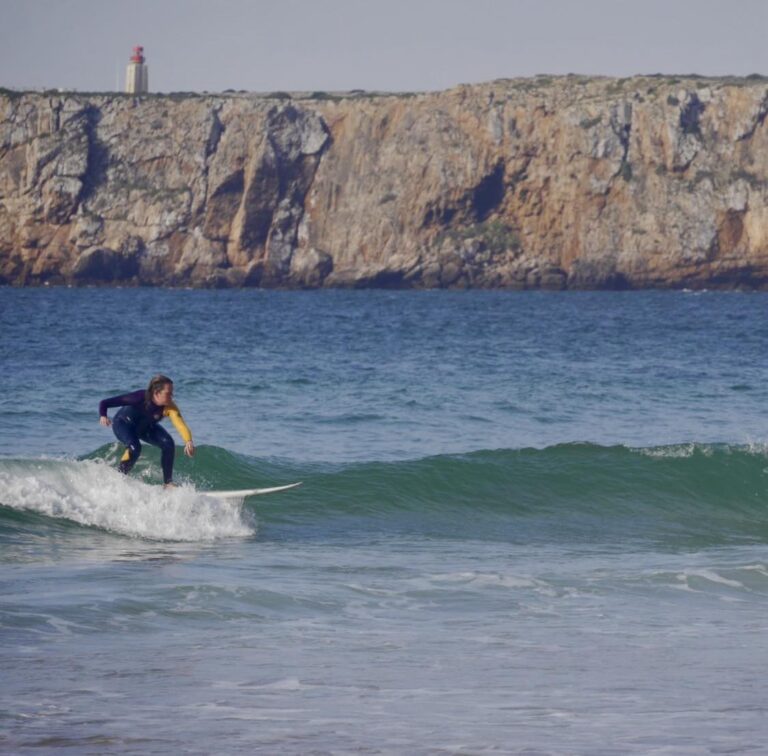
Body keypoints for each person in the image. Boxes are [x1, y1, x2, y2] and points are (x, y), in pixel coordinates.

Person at [99, 374, 195, 487]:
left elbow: (180, 424)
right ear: (156, 393)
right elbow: (105, 403)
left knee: (168, 443)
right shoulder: (140, 397)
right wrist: (103, 415)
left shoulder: (170, 407)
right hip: (123, 423)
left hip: (145, 428)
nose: (172, 396)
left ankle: (168, 483)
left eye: (172, 393)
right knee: (135, 447)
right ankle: (119, 478)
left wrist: (188, 441)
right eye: (168, 393)